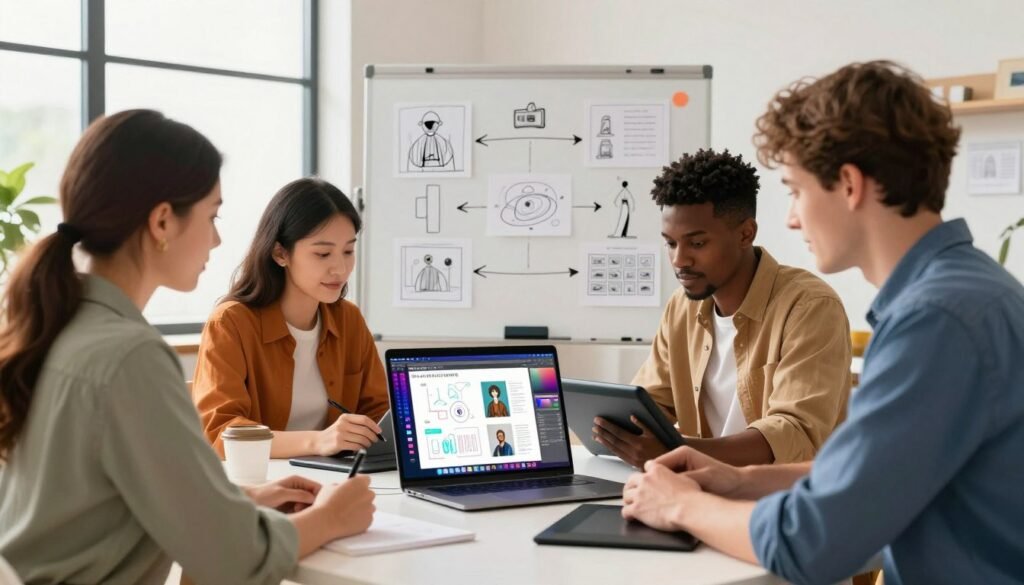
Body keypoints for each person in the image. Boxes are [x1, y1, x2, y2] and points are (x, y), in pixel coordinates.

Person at [622, 61, 1024, 585]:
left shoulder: (936, 320)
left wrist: (680, 506)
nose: (792, 218)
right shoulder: (967, 293)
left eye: (795, 189)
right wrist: (738, 479)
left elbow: (811, 542)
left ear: (849, 185)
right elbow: (876, 475)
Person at [0, 110, 375, 584]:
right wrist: (332, 518)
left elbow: (101, 501)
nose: (217, 239)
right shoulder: (130, 356)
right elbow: (231, 556)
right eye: (212, 215)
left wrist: (238, 501)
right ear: (162, 221)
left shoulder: (60, 326)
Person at [594, 149, 852, 468]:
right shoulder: (681, 307)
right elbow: (650, 402)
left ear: (745, 234)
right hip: (700, 485)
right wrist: (615, 429)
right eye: (671, 243)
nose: (679, 260)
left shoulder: (810, 307)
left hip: (784, 492)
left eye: (697, 243)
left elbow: (795, 433)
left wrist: (678, 452)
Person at [192, 178, 389, 459]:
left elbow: (379, 414)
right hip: (262, 480)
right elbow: (220, 432)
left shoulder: (349, 319)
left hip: (336, 475)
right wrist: (317, 442)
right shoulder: (230, 323)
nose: (341, 268)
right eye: (323, 254)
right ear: (280, 253)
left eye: (348, 251)